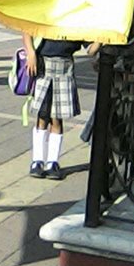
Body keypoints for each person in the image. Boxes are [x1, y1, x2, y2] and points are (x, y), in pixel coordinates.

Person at [23, 33, 83, 179]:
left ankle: (52, 162)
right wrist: (30, 52)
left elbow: (91, 48)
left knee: (57, 118)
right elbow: (27, 28)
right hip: (43, 65)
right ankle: (37, 161)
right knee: (42, 116)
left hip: (65, 68)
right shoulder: (49, 12)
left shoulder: (79, 21)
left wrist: (102, 38)